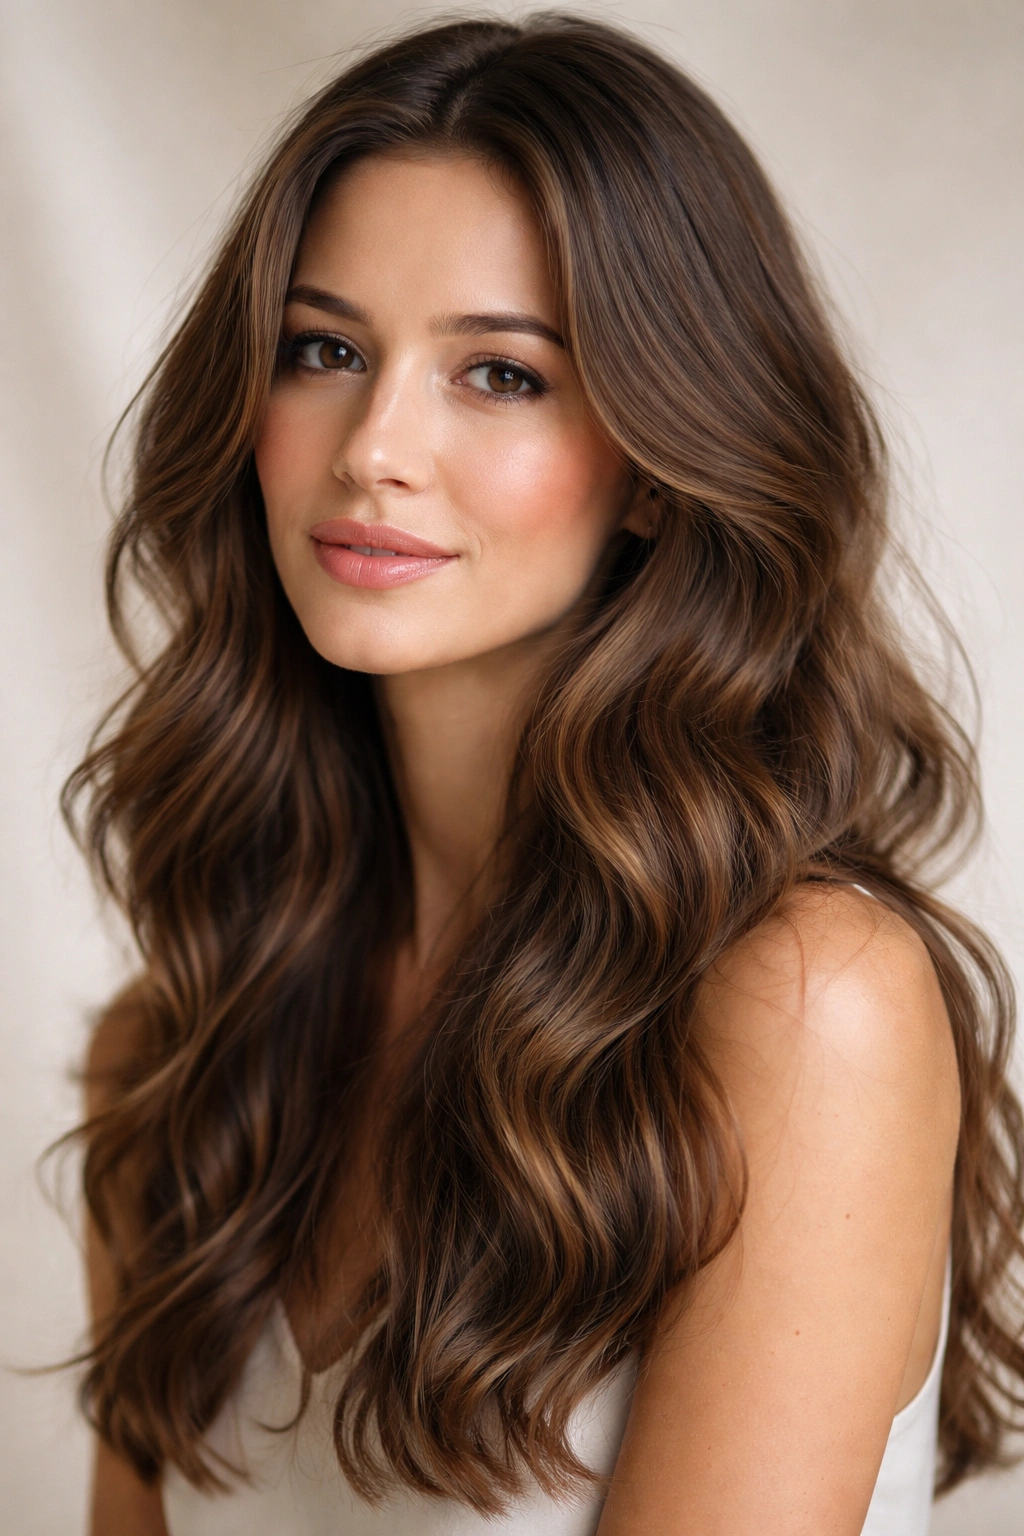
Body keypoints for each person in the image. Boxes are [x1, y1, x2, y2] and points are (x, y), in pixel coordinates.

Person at [66, 13, 1024, 1535]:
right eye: (325, 351)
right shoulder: (178, 1053)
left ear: (657, 463)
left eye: (501, 375)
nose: (374, 448)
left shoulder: (801, 1009)